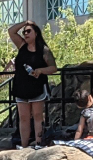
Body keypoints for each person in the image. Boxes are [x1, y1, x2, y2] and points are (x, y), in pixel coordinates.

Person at [6, 21, 57, 149]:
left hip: (37, 88)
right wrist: (25, 23)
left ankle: (39, 143)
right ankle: (24, 146)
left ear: (36, 33)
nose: (25, 33)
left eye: (29, 31)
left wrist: (40, 71)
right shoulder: (22, 45)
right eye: (24, 32)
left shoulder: (43, 50)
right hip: (21, 87)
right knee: (23, 118)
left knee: (37, 116)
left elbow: (53, 68)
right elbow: (11, 31)